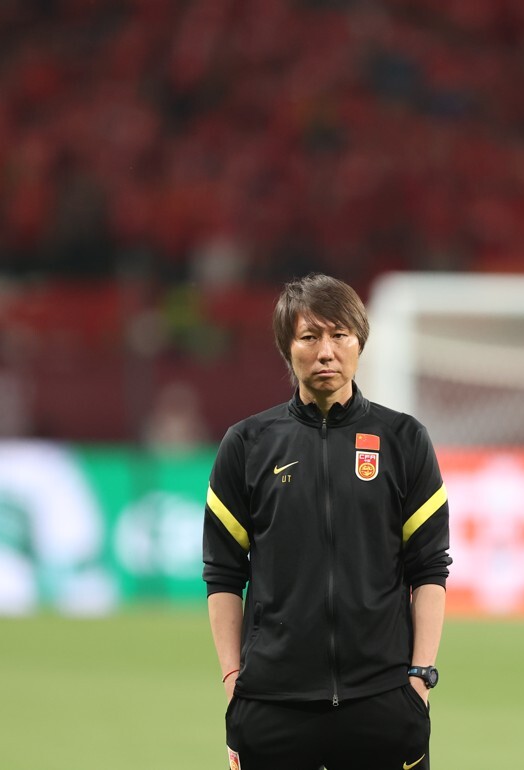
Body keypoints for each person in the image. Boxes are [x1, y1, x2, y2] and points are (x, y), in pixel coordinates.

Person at [203, 273, 451, 770]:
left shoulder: (404, 440)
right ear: (286, 347)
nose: (326, 351)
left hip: (382, 702)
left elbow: (429, 569)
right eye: (309, 336)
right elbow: (224, 574)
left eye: (340, 335)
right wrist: (234, 681)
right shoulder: (246, 445)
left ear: (359, 342)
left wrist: (419, 676)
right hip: (273, 706)